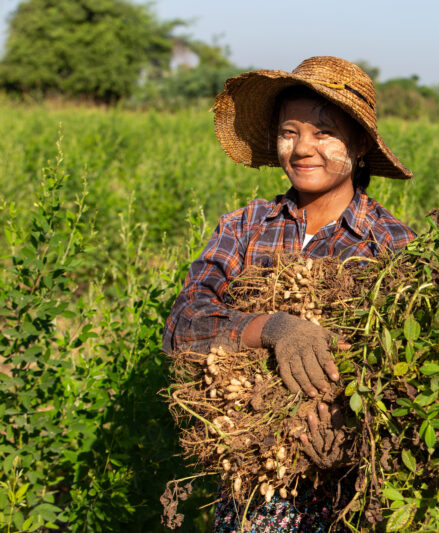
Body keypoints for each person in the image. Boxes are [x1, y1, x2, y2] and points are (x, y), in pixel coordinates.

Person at [162, 56, 415, 532]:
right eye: (289, 131)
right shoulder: (244, 228)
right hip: (251, 489)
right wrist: (273, 328)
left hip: (345, 498)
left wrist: (355, 437)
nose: (303, 148)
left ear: (359, 144)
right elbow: (182, 325)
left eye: (324, 132)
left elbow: (407, 376)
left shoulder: (391, 246)